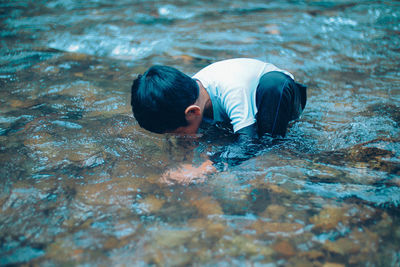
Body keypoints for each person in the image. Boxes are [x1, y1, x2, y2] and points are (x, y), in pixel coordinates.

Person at [131, 58, 307, 183]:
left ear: (192, 112)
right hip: (228, 113)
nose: (178, 137)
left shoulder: (232, 90)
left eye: (176, 133)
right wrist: (181, 163)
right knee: (215, 139)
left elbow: (249, 143)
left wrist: (204, 169)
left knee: (265, 141)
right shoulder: (185, 94)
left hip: (279, 96)